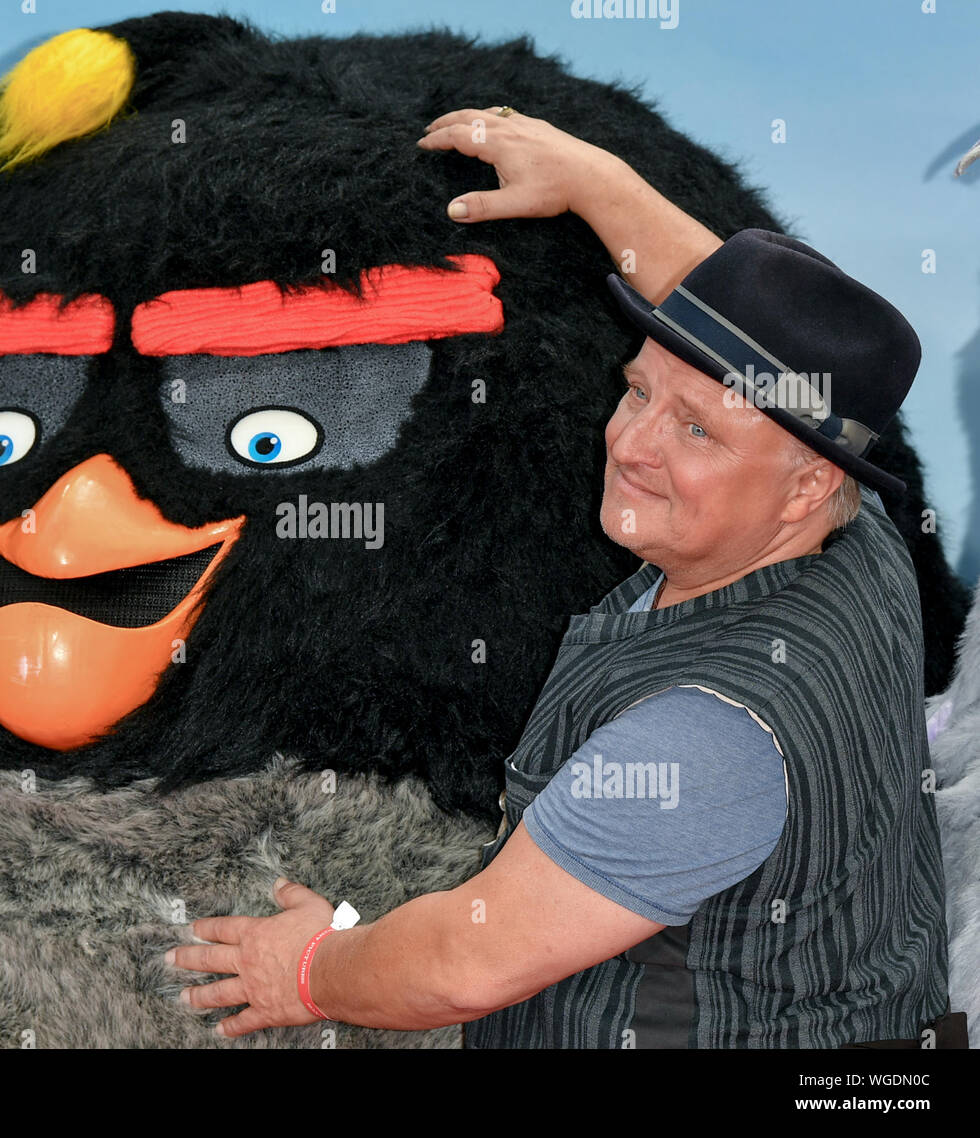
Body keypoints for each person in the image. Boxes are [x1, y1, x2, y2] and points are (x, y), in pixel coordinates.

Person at [167, 108, 956, 1048]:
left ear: (807, 482)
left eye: (696, 431)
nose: (632, 443)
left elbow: (464, 963)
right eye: (637, 389)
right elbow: (745, 328)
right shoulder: (855, 533)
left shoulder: (703, 741)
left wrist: (308, 968)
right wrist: (597, 183)